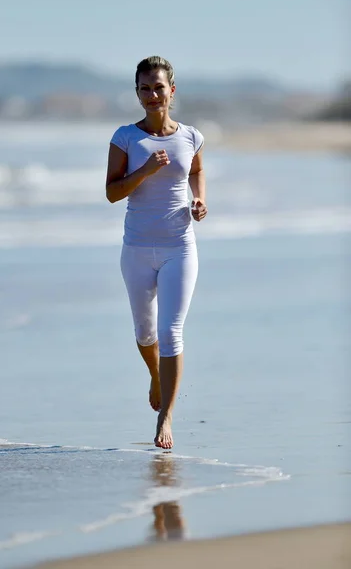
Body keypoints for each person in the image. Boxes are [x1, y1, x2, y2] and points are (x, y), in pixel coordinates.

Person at [105, 56, 207, 449]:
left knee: (170, 331)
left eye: (158, 87)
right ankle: (155, 374)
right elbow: (113, 192)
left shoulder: (192, 136)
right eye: (144, 88)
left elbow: (195, 170)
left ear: (172, 91)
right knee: (145, 333)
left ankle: (166, 419)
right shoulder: (125, 138)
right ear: (137, 93)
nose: (151, 95)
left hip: (179, 247)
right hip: (136, 249)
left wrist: (199, 200)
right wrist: (144, 170)